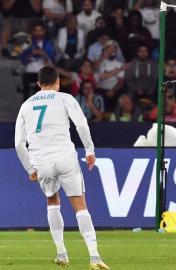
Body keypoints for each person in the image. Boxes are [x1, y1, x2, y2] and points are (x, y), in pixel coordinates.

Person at [14, 66, 109, 270]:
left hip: (42, 161)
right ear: (58, 82)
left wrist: (30, 168)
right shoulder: (65, 98)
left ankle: (61, 254)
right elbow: (81, 124)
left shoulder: (26, 105)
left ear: (38, 84)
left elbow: (18, 144)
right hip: (65, 157)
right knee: (80, 206)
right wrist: (89, 151)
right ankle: (94, 258)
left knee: (52, 203)